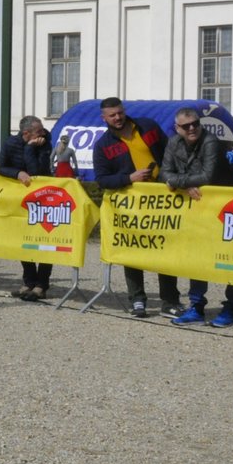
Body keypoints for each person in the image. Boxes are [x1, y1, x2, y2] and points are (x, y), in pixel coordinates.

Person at [94, 96, 181, 319]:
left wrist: (172, 177)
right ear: (104, 118)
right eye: (112, 115)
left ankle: (170, 301)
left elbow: (170, 151)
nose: (117, 118)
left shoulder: (148, 126)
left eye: (120, 113)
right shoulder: (103, 145)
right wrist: (129, 177)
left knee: (166, 250)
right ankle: (138, 300)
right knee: (133, 251)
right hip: (131, 206)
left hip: (162, 200)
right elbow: (102, 180)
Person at [159, 107, 233, 326]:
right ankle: (196, 306)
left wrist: (179, 182)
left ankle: (231, 308)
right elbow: (164, 173)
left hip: (225, 207)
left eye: (195, 123)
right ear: (177, 128)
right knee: (197, 257)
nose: (192, 128)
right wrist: (186, 186)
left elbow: (207, 175)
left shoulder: (210, 141)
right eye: (186, 126)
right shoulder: (173, 143)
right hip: (198, 209)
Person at [0, 115, 54, 301]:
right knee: (23, 240)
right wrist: (17, 173)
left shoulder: (44, 144)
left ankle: (41, 285)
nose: (42, 133)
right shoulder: (10, 143)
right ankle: (29, 281)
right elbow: (0, 167)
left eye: (43, 129)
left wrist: (30, 149)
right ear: (26, 133)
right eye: (39, 131)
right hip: (20, 200)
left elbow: (37, 171)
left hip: (43, 199)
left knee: (45, 240)